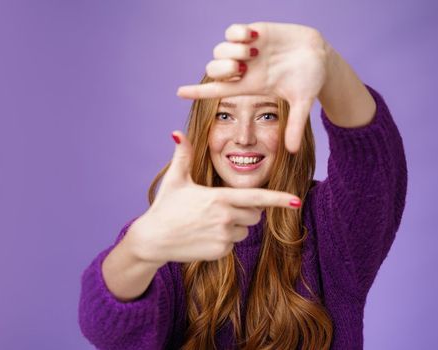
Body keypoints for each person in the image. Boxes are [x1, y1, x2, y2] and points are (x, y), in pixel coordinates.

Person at [78, 22, 407, 350]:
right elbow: (108, 331)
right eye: (224, 116)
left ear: (293, 125)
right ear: (204, 129)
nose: (244, 137)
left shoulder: (330, 226)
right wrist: (140, 247)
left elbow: (372, 167)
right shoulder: (172, 231)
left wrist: (330, 68)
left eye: (267, 116)